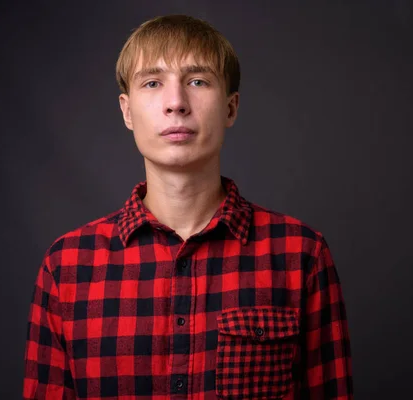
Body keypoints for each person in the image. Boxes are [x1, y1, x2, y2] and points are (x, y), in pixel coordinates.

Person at [23, 14, 353, 399]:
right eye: (152, 83)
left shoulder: (301, 255)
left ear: (230, 108)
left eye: (197, 81)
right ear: (127, 111)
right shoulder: (66, 267)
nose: (176, 103)